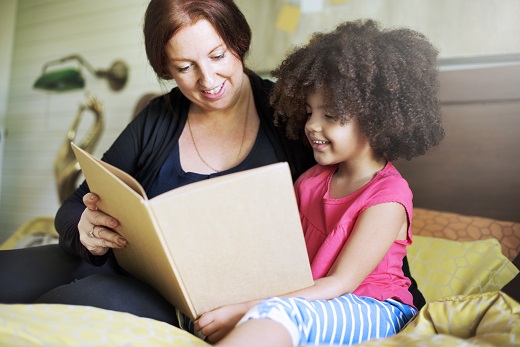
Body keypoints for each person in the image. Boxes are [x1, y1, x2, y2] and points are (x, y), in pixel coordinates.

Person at [0, 0, 424, 334]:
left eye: (218, 55)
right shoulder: (159, 117)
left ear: (238, 42)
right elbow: (74, 206)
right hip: (119, 261)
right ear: (166, 70)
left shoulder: (296, 118)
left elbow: (364, 213)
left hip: (183, 301)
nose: (207, 80)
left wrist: (411, 307)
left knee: (68, 308)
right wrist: (83, 229)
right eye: (184, 68)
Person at [194, 19, 445, 346]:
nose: (311, 125)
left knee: (278, 314)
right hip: (317, 303)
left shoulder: (389, 196)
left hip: (378, 309)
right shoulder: (310, 181)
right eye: (310, 112)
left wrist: (252, 307)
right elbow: (283, 261)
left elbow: (342, 282)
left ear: (375, 118)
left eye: (329, 115)